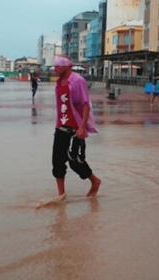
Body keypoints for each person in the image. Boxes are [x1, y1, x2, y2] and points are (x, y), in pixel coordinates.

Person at [51, 55, 101, 202]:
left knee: (75, 161)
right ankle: (62, 195)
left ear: (67, 67)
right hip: (61, 127)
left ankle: (95, 181)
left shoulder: (78, 80)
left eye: (57, 66)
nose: (55, 69)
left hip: (75, 128)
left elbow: (86, 104)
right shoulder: (59, 82)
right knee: (57, 162)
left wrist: (82, 127)